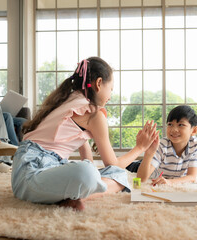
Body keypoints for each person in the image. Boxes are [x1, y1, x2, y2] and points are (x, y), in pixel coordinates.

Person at [11, 57, 159, 211]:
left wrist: (91, 175)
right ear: (99, 83)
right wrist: (140, 147)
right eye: (111, 89)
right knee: (97, 172)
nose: (110, 95)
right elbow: (112, 163)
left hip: (24, 177)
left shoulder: (65, 101)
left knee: (105, 172)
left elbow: (86, 155)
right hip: (32, 176)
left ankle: (65, 196)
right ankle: (78, 196)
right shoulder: (93, 113)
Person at [126, 105, 197, 185]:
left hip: (159, 166)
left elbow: (191, 176)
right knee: (128, 166)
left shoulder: (196, 145)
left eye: (181, 125)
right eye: (170, 124)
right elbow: (141, 179)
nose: (174, 130)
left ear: (194, 130)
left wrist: (169, 182)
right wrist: (148, 154)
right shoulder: (162, 145)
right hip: (146, 164)